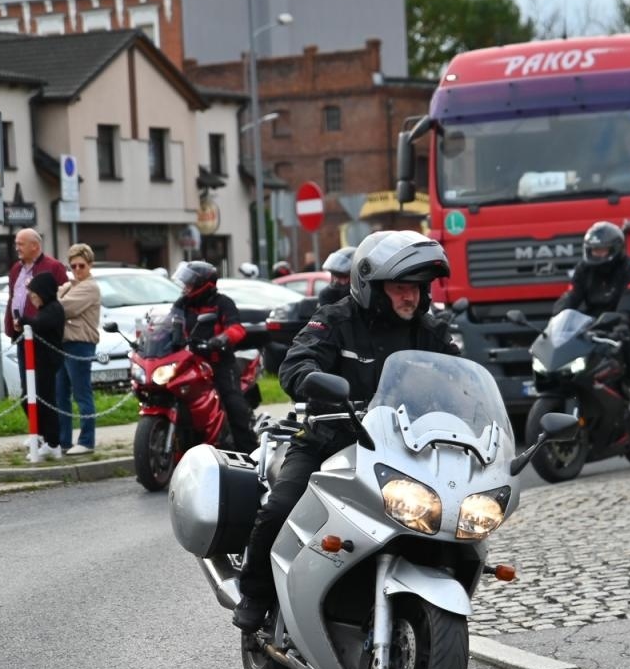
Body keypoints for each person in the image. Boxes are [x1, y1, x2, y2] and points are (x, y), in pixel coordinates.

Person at [232, 229, 455, 631]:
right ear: (370, 285)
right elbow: (297, 362)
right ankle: (256, 593)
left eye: (418, 288)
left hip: (403, 450)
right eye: (402, 287)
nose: (412, 297)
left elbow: (458, 380)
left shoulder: (430, 331)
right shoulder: (335, 319)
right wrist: (310, 377)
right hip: (330, 441)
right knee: (281, 508)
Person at [554, 220, 630, 470]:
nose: (597, 255)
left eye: (602, 250)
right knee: (572, 374)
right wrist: (558, 318)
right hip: (595, 333)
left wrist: (622, 321)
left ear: (615, 249)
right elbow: (571, 297)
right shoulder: (584, 270)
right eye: (594, 250)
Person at [169, 260, 253, 455]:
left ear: (204, 284)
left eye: (190, 283)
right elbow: (169, 325)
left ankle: (250, 455)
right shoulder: (182, 303)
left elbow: (237, 329)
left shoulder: (223, 303)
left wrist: (221, 339)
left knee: (234, 406)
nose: (186, 287)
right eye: (185, 283)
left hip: (219, 363)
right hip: (189, 362)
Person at [4, 229, 69, 396]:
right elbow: (12, 297)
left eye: (21, 244)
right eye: (16, 244)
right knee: (27, 389)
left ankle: (46, 421)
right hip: (21, 335)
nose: (17, 248)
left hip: (42, 337)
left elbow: (64, 298)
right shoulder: (16, 269)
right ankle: (35, 422)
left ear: (34, 246)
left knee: (43, 389)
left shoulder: (53, 267)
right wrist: (11, 324)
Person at [55, 243, 100, 456]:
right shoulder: (70, 285)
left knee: (82, 393)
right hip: (64, 342)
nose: (78, 270)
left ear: (90, 265)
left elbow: (63, 308)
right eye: (73, 266)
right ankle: (63, 440)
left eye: (81, 265)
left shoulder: (89, 287)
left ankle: (87, 440)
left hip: (80, 343)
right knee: (60, 393)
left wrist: (55, 301)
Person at [24, 272, 66, 462]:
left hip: (48, 362)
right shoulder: (44, 309)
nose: (32, 300)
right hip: (39, 362)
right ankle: (41, 435)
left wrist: (25, 321)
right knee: (30, 398)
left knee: (47, 402)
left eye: (34, 295)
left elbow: (41, 324)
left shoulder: (54, 309)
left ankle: (53, 443)